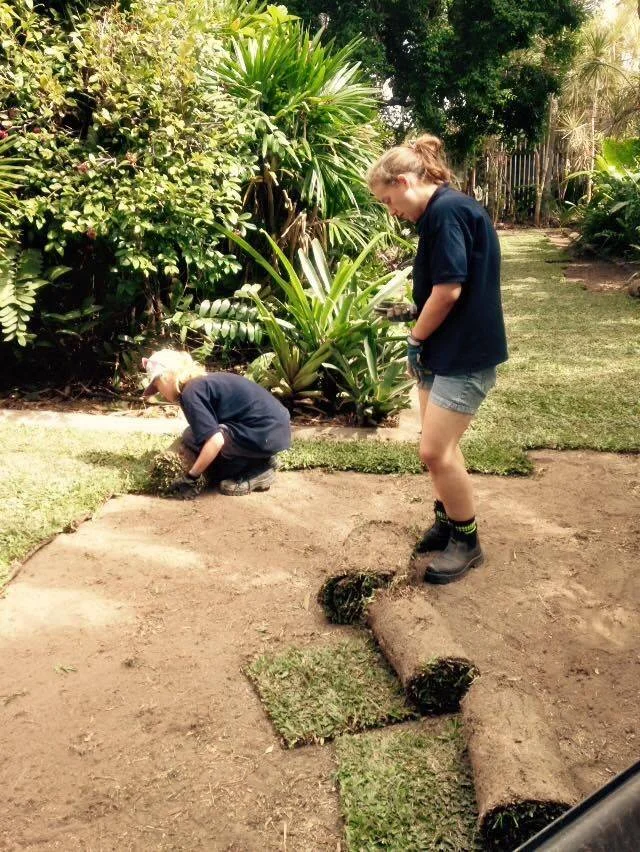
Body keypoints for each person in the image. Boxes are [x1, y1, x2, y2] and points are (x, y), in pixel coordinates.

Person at [367, 134, 508, 584]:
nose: (391, 211)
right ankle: (448, 522)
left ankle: (467, 543)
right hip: (445, 348)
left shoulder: (446, 213)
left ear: (407, 182)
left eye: (389, 200)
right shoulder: (438, 213)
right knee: (437, 450)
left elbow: (451, 291)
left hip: (464, 353)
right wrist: (413, 310)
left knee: (435, 450)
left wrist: (414, 335)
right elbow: (443, 288)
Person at [141, 349, 291, 499]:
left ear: (167, 376)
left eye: (157, 385)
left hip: (266, 431)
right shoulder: (200, 383)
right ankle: (260, 457)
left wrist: (191, 478)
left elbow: (216, 440)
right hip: (273, 429)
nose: (159, 392)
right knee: (191, 435)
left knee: (218, 471)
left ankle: (259, 470)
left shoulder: (190, 393)